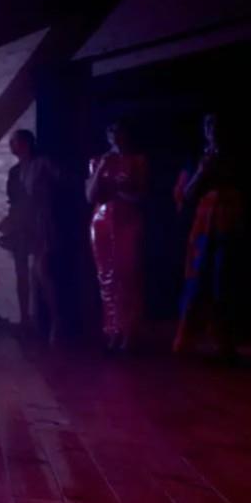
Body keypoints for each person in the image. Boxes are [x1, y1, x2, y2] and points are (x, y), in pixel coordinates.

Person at [173, 113, 247, 356]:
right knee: (196, 280)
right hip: (204, 226)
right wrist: (202, 171)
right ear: (203, 129)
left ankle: (224, 341)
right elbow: (185, 194)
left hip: (230, 224)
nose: (213, 129)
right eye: (208, 124)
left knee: (223, 281)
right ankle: (188, 338)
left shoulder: (235, 157)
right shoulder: (196, 158)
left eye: (217, 124)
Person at [87, 121, 148, 351]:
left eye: (119, 130)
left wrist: (120, 191)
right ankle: (112, 330)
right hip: (101, 220)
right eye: (111, 131)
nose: (115, 135)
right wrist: (101, 168)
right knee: (105, 276)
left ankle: (129, 330)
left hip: (127, 218)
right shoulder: (98, 161)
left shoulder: (137, 161)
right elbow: (90, 196)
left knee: (127, 274)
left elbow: (140, 195)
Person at [0, 129, 60, 341]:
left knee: (42, 271)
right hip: (21, 223)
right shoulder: (14, 171)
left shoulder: (43, 163)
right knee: (21, 273)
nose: (11, 147)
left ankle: (55, 320)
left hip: (40, 222)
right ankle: (26, 320)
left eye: (14, 142)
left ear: (25, 143)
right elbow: (14, 199)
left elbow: (57, 185)